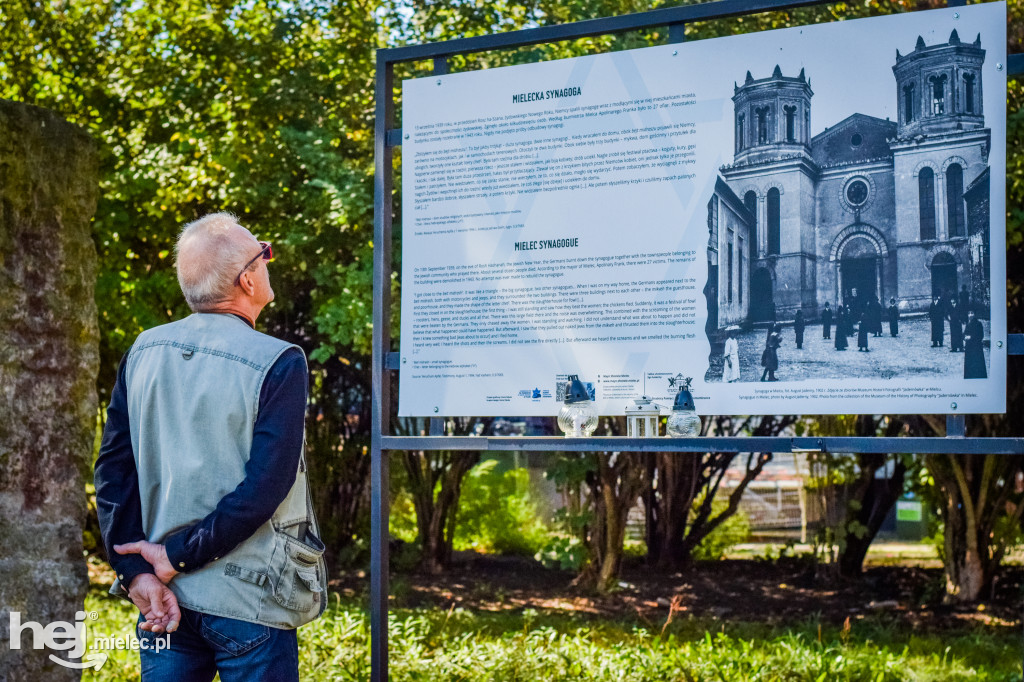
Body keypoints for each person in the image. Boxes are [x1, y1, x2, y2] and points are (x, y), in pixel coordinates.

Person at [94, 213, 327, 682]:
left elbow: (112, 472)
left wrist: (136, 572)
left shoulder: (142, 350)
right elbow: (265, 488)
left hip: (163, 594)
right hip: (249, 599)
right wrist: (177, 554)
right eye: (264, 254)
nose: (267, 261)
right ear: (247, 278)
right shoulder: (279, 361)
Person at [964, 310, 987, 379]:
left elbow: (980, 335)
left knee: (977, 364)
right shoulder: (968, 324)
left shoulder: (978, 324)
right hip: (969, 347)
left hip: (976, 347)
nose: (970, 315)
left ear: (974, 314)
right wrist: (964, 337)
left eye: (972, 313)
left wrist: (971, 337)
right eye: (969, 313)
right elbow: (965, 333)